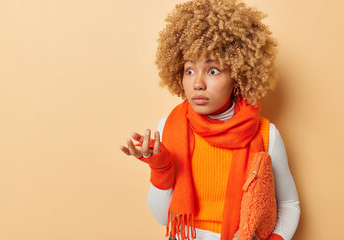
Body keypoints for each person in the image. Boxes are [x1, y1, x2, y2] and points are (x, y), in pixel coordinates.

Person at [119, 0, 300, 239]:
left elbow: (289, 205)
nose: (198, 84)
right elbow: (163, 218)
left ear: (237, 76)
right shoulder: (170, 127)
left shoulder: (267, 135)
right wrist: (160, 165)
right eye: (189, 70)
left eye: (212, 70)